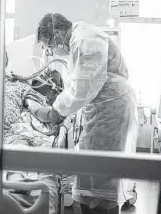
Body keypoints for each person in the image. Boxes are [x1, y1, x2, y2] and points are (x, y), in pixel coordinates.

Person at [30, 13, 138, 214]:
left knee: (102, 176)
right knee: (94, 173)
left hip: (110, 108)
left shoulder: (85, 41)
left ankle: (101, 209)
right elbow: (79, 85)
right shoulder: (78, 41)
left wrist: (55, 111)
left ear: (57, 33)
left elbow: (82, 88)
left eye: (50, 44)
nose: (51, 51)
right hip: (101, 107)